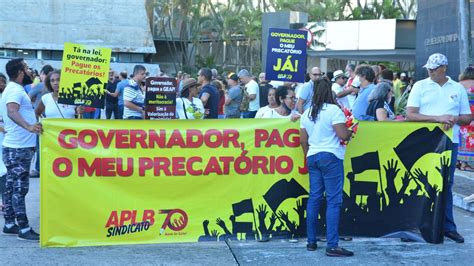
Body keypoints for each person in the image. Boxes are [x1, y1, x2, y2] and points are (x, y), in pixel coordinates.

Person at [406, 53, 471, 244]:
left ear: (444, 68)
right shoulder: (420, 86)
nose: (430, 72)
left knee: (446, 184)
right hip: (424, 141)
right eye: (429, 69)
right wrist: (438, 118)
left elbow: (467, 117)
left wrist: (453, 119)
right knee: (419, 182)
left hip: (450, 141)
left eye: (434, 69)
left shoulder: (457, 88)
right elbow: (410, 114)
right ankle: (415, 226)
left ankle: (448, 227)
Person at [300, 78, 353, 257]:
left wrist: (307, 156)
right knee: (333, 201)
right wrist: (350, 131)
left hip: (313, 156)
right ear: (329, 91)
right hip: (331, 156)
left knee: (314, 198)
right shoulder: (333, 110)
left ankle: (311, 241)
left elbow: (302, 140)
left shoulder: (306, 112)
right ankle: (332, 245)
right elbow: (343, 135)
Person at [0, 58, 43, 241]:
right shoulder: (14, 91)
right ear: (19, 72)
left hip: (15, 146)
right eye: (26, 68)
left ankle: (10, 224)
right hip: (19, 148)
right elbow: (12, 111)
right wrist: (29, 126)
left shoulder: (14, 89)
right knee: (20, 188)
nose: (30, 71)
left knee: (10, 187)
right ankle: (24, 229)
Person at [457, 66, 474, 171]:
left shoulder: (458, 85)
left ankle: (460, 162)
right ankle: (468, 164)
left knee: (461, 139)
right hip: (472, 115)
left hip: (461, 116)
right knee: (471, 140)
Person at [0, 73, 8, 214]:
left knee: (4, 172)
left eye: (3, 82)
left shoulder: (7, 97)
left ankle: (4, 202)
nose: (1, 84)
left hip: (6, 140)